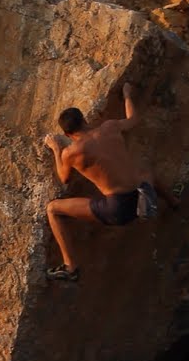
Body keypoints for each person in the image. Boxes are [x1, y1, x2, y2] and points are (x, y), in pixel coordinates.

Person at [42, 82, 179, 282]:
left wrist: (56, 149)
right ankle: (173, 201)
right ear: (84, 119)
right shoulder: (110, 127)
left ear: (67, 135)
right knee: (145, 172)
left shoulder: (71, 152)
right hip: (139, 195)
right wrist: (127, 95)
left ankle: (71, 267)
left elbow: (64, 178)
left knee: (53, 209)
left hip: (116, 209)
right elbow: (133, 119)